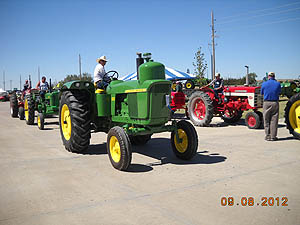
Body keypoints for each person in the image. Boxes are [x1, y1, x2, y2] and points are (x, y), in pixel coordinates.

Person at [261, 72, 281, 141]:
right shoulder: (278, 84)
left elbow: (262, 93)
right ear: (274, 76)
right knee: (274, 120)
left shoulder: (264, 84)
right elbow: (279, 92)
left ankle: (267, 136)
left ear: (268, 76)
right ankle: (273, 136)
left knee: (266, 119)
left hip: (266, 103)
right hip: (275, 102)